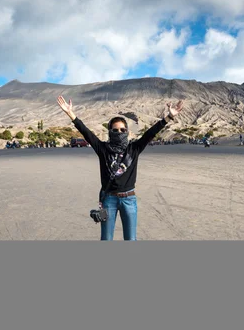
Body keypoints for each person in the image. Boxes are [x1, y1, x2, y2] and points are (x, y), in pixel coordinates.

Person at [57, 95, 184, 241]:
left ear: (128, 131)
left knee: (130, 239)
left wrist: (168, 117)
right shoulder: (103, 149)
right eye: (115, 130)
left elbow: (151, 133)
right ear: (110, 132)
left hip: (129, 199)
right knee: (106, 238)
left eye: (123, 130)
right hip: (108, 200)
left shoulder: (134, 148)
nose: (119, 133)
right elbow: (86, 132)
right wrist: (70, 114)